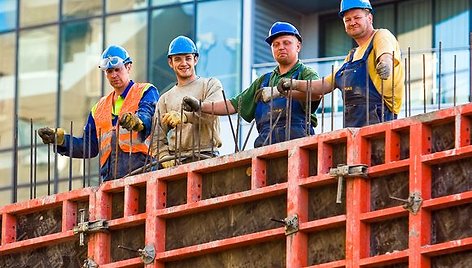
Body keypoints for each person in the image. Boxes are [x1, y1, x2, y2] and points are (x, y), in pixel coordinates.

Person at [183, 21, 321, 148]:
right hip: (267, 146)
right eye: (276, 44)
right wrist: (200, 106)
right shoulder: (263, 81)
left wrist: (282, 91)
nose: (281, 47)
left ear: (298, 46)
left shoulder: (305, 73)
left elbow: (316, 93)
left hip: (299, 144)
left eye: (286, 43)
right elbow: (233, 105)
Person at [38, 45, 159, 181]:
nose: (113, 75)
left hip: (142, 173)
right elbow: (88, 147)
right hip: (111, 181)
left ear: (128, 67)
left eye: (117, 70)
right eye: (109, 71)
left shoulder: (145, 91)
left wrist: (137, 122)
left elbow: (147, 115)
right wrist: (61, 141)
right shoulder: (99, 108)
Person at [278, 0, 404, 127]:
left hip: (379, 119)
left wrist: (385, 65)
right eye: (347, 20)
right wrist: (294, 84)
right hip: (353, 124)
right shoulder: (351, 56)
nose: (352, 22)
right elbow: (325, 84)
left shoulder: (381, 35)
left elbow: (386, 55)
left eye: (357, 17)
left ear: (369, 18)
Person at [156, 36, 224, 168]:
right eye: (178, 59)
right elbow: (156, 134)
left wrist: (185, 117)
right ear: (170, 62)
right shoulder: (165, 99)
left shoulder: (210, 85)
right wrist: (163, 155)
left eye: (188, 58)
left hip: (206, 156)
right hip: (176, 160)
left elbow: (212, 113)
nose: (184, 63)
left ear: (196, 59)